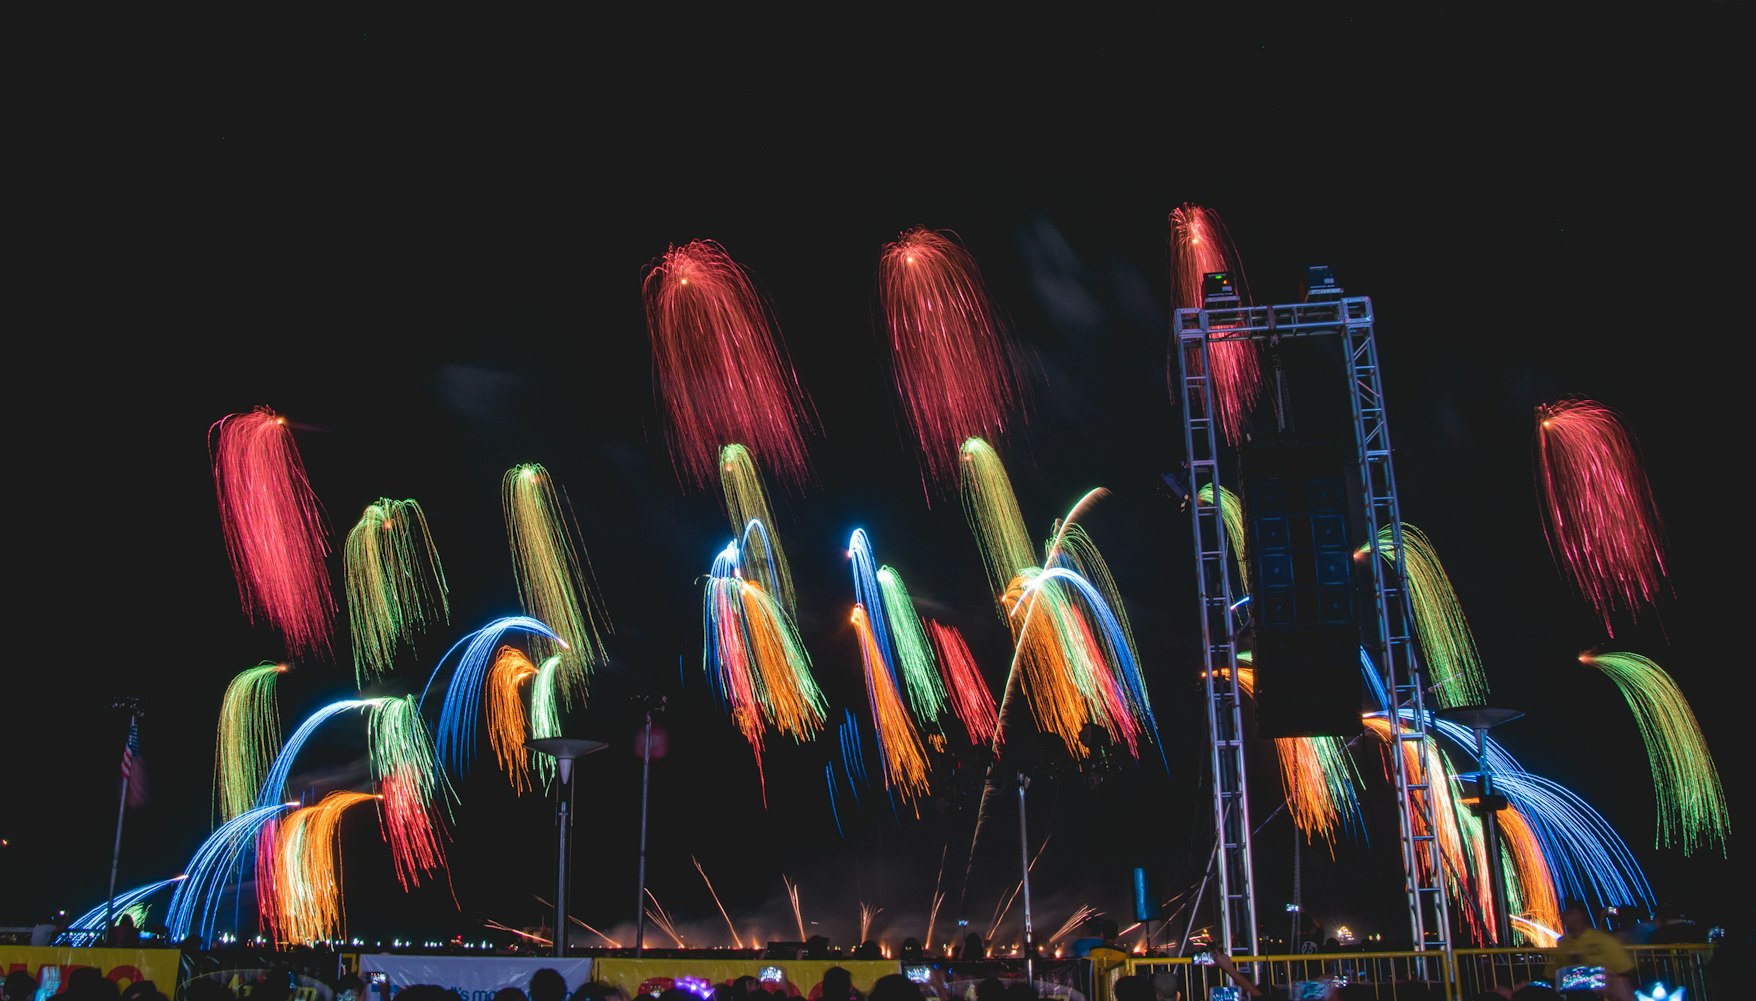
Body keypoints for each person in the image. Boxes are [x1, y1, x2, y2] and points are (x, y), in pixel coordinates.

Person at [1545, 902, 1635, 1001]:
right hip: (1573, 995)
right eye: (1568, 914)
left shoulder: (1602, 940)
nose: (1572, 918)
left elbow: (1625, 970)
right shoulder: (1563, 944)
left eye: (1574, 914)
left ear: (1583, 916)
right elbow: (1552, 975)